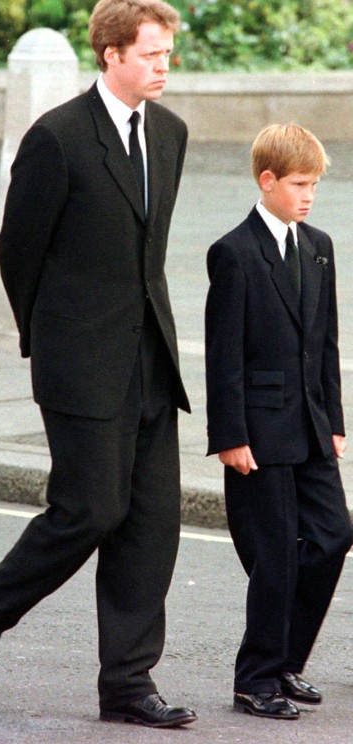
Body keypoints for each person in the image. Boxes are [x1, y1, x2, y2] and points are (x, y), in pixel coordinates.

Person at [0, 0, 196, 730]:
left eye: (167, 53)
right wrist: (50, 339)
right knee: (90, 508)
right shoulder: (58, 137)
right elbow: (16, 251)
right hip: (78, 362)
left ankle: (127, 685)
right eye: (150, 54)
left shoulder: (171, 134)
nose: (164, 66)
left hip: (149, 358)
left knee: (153, 523)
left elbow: (142, 253)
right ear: (112, 53)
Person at [204, 123, 353, 720]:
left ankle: (287, 659)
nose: (309, 194)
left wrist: (336, 420)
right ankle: (256, 679)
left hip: (313, 426)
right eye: (298, 184)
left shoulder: (319, 245)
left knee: (334, 535)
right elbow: (223, 355)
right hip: (259, 433)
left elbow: (327, 345)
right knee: (275, 556)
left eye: (314, 183)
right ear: (267, 181)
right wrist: (230, 436)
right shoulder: (234, 251)